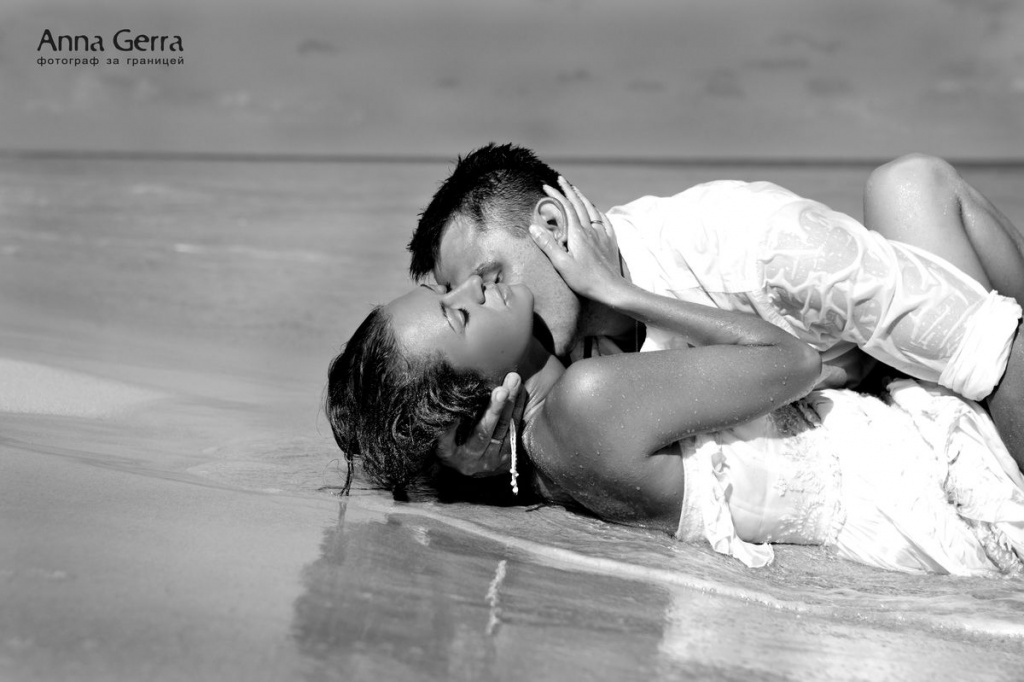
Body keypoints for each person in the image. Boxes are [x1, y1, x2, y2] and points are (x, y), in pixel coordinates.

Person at [326, 185, 1024, 576]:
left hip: (899, 500)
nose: (474, 287)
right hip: (927, 477)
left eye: (450, 288)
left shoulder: (549, 450)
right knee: (918, 191)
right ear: (471, 408)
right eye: (457, 312)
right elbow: (795, 363)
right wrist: (618, 290)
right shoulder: (584, 401)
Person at [407, 145, 1024, 478]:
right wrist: (482, 466)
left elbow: (995, 356)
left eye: (492, 278)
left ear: (552, 224)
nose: (492, 306)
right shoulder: (560, 347)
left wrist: (618, 293)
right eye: (467, 301)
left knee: (906, 186)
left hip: (949, 357)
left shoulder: (757, 246)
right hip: (877, 400)